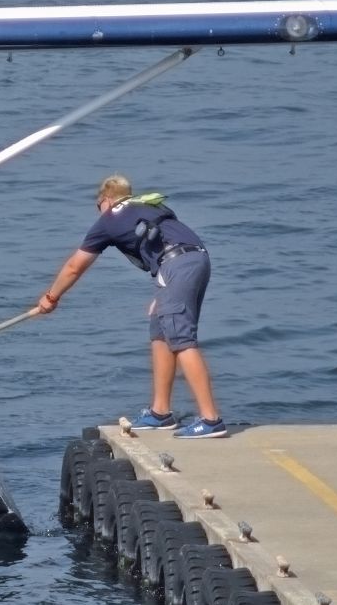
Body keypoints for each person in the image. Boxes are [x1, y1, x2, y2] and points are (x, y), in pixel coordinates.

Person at [36, 174, 226, 439]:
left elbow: (74, 267)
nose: (98, 213)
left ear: (107, 199)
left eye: (98, 206)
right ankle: (160, 413)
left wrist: (51, 297)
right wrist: (164, 290)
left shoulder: (109, 218)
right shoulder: (148, 206)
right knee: (160, 330)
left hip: (177, 266)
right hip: (192, 260)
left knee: (182, 339)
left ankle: (210, 419)